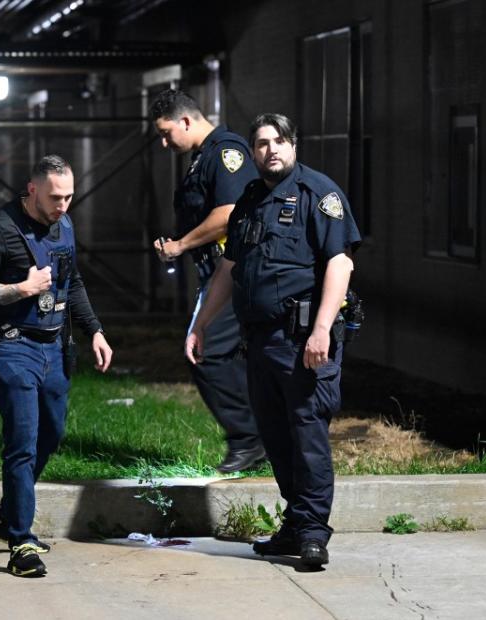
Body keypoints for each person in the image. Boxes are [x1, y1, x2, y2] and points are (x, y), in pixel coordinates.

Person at [185, 113, 361, 568]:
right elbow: (230, 268)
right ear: (254, 151)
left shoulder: (317, 194)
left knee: (307, 435)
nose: (271, 150)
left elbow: (340, 265)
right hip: (260, 341)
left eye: (279, 141)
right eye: (262, 143)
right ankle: (296, 523)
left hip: (304, 339)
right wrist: (202, 323)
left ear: (293, 144)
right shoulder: (249, 201)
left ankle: (314, 534)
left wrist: (322, 328)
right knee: (276, 437)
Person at [0, 155, 113, 578]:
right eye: (55, 197)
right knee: (24, 439)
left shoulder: (63, 224)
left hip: (54, 346)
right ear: (31, 190)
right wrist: (20, 288)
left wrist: (96, 331)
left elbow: (74, 282)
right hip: (10, 346)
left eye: (69, 197)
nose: (63, 205)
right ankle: (21, 541)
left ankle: (5, 516)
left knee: (53, 432)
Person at [149, 89, 265, 473]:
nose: (165, 143)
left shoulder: (226, 152)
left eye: (166, 133)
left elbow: (230, 212)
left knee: (207, 352)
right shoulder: (203, 158)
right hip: (216, 273)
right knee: (215, 353)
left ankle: (250, 439)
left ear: (186, 120)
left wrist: (181, 244)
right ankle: (260, 436)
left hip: (234, 273)